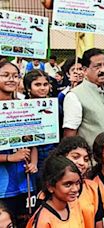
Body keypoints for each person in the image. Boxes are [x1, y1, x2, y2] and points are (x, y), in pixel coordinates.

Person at [63, 48, 104, 170]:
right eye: (97, 66)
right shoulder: (75, 96)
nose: (103, 70)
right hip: (93, 166)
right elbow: (69, 138)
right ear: (84, 70)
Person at [0, 61, 38, 227]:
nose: (11, 79)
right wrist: (10, 157)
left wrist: (34, 162)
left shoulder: (24, 105)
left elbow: (35, 140)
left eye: (15, 76)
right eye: (6, 75)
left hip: (26, 182)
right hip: (3, 187)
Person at [52, 136, 104, 228]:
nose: (82, 163)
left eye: (86, 159)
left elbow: (99, 221)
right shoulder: (49, 191)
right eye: (76, 157)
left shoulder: (93, 187)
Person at [26, 155, 84, 227]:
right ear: (50, 186)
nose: (75, 189)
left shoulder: (74, 204)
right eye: (68, 184)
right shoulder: (43, 220)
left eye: (77, 183)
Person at [23, 70, 57, 183]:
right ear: (28, 87)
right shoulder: (21, 108)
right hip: (30, 158)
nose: (43, 88)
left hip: (53, 155)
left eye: (45, 84)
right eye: (37, 84)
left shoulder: (55, 107)